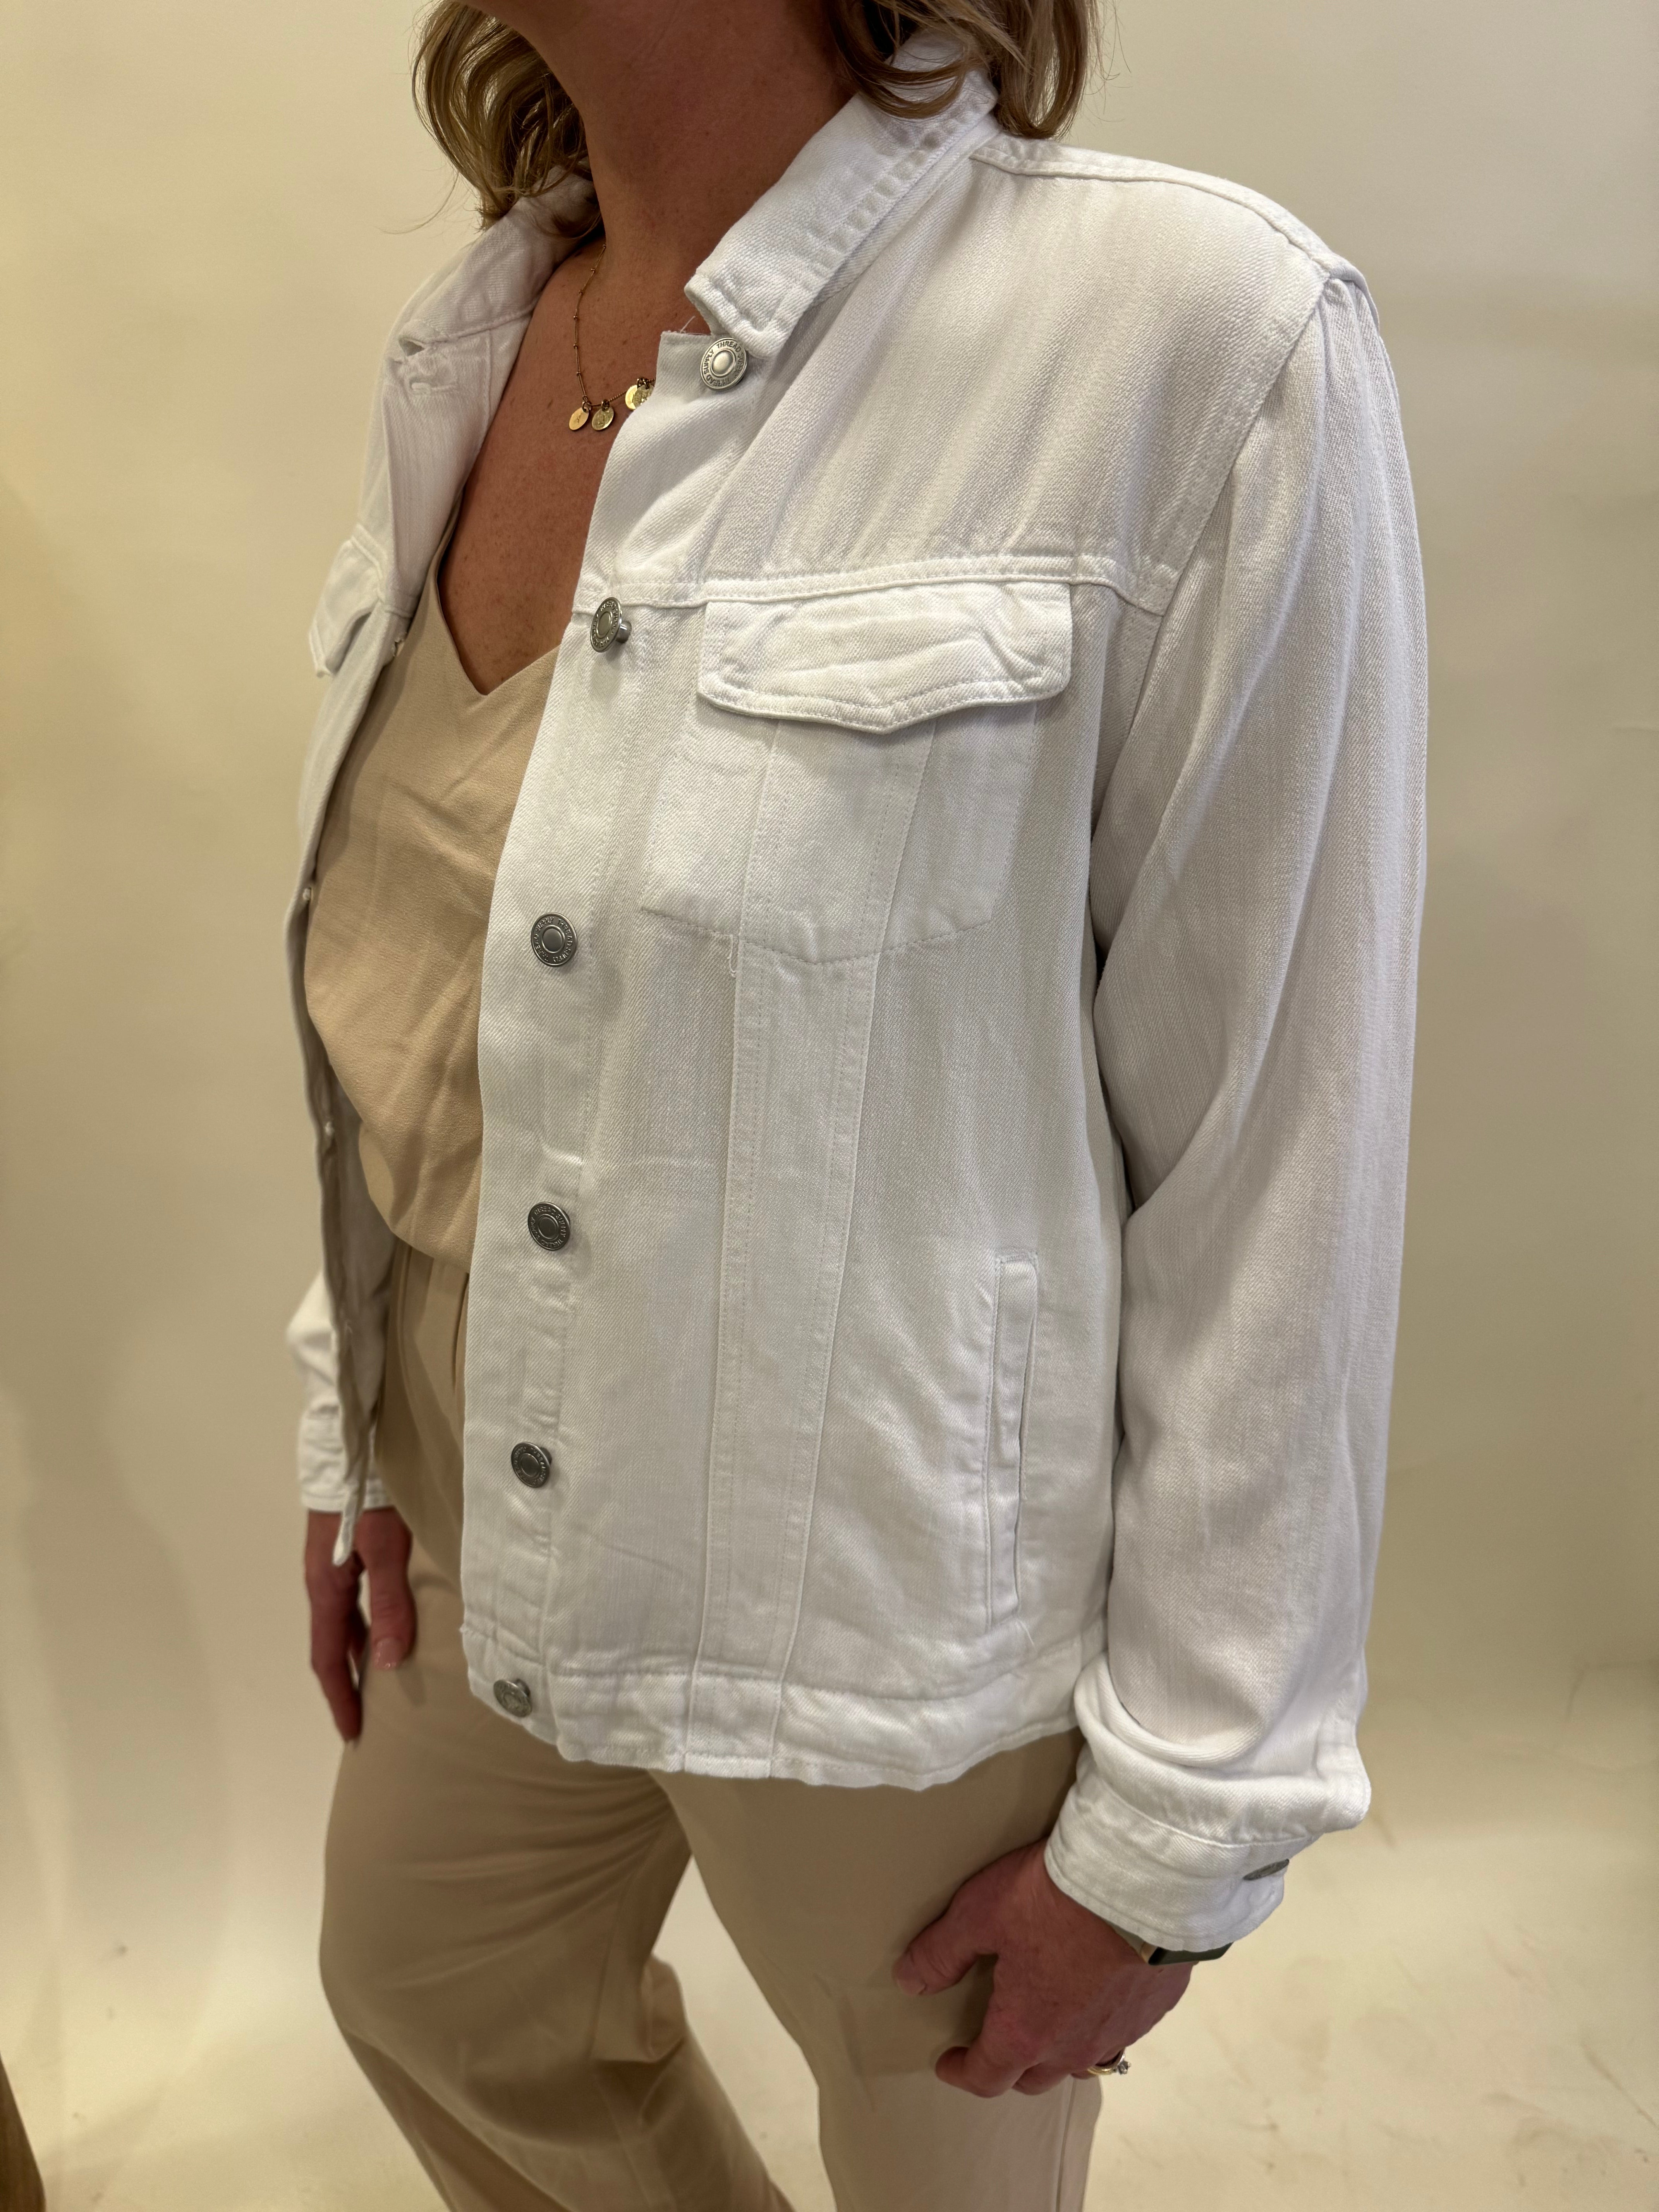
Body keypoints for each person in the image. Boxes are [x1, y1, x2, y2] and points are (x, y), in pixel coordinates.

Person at [284, 3, 1427, 2205]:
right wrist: (352, 1428)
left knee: (945, 2166)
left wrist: (1182, 1825)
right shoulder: (481, 338)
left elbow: (1278, 1152)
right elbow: (430, 973)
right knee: (436, 1991)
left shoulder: (1188, 335)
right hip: (472, 1476)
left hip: (882, 1583)